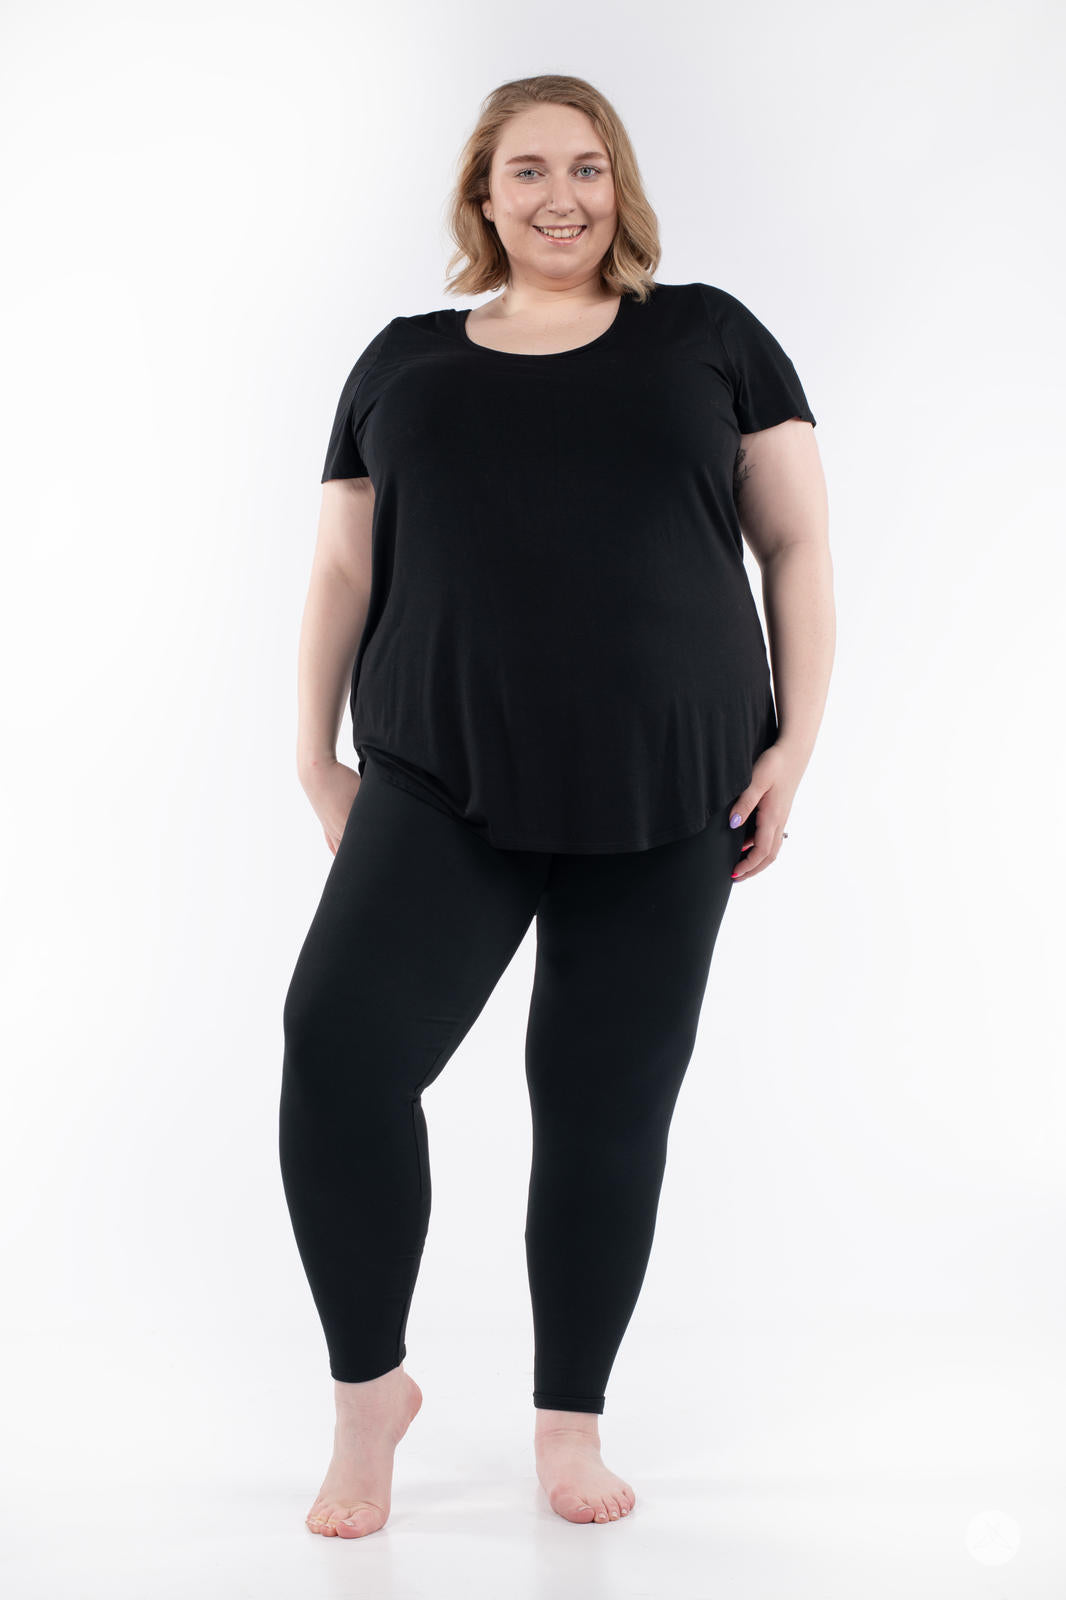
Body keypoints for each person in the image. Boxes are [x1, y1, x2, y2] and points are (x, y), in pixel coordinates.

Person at [279, 73, 833, 1541]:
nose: (560, 198)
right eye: (526, 172)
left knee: (598, 1111)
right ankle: (367, 1402)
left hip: (668, 787)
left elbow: (795, 549)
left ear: (621, 183)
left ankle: (567, 1421)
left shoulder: (707, 336)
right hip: (436, 776)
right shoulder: (401, 361)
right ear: (480, 194)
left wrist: (796, 743)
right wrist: (311, 754)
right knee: (336, 1053)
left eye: (587, 169)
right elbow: (342, 569)